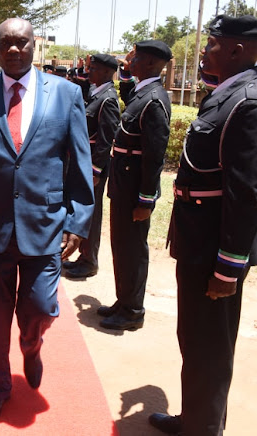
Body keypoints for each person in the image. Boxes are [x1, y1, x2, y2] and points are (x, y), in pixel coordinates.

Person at [0, 18, 93, 422]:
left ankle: (31, 343)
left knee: (41, 307)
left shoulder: (65, 94)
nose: (14, 50)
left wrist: (78, 220)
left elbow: (80, 161)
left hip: (45, 224)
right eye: (6, 44)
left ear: (34, 46)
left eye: (22, 42)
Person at [149, 15, 257, 436]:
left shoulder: (249, 102)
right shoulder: (227, 94)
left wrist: (228, 267)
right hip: (199, 244)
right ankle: (197, 419)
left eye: (213, 43)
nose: (205, 50)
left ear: (236, 50)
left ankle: (204, 429)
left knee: (210, 347)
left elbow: (247, 192)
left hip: (215, 249)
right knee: (195, 340)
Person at [100, 40, 172, 331]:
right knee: (121, 245)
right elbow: (126, 84)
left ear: (153, 64)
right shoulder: (142, 93)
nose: (131, 64)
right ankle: (124, 299)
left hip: (134, 190)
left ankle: (133, 310)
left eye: (137, 59)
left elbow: (154, 156)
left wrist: (146, 199)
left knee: (132, 248)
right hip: (123, 184)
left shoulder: (154, 99)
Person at [64, 54, 121, 279]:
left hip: (92, 166)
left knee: (92, 214)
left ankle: (90, 260)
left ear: (107, 72)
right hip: (83, 162)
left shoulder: (107, 99)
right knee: (82, 209)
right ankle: (83, 255)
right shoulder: (95, 93)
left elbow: (106, 139)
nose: (89, 72)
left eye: (94, 69)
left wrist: (96, 169)